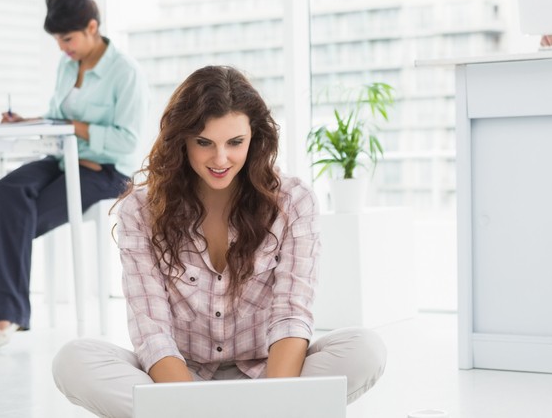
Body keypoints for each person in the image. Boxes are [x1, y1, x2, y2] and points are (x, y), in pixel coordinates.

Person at [52, 65, 386, 418]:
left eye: (235, 143)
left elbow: (291, 313)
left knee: (365, 349)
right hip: (180, 379)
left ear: (254, 138)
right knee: (73, 361)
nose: (220, 159)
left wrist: (279, 399)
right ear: (181, 140)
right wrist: (192, 406)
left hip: (268, 376)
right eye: (204, 143)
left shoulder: (293, 200)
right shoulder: (141, 209)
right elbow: (151, 330)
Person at [0, 0, 148, 351]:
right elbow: (58, 117)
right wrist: (27, 122)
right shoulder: (67, 66)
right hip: (63, 158)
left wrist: (78, 128)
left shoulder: (125, 72)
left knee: (8, 223)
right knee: (6, 192)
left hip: (107, 172)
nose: (62, 48)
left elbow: (128, 141)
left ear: (92, 28)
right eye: (57, 40)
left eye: (68, 39)